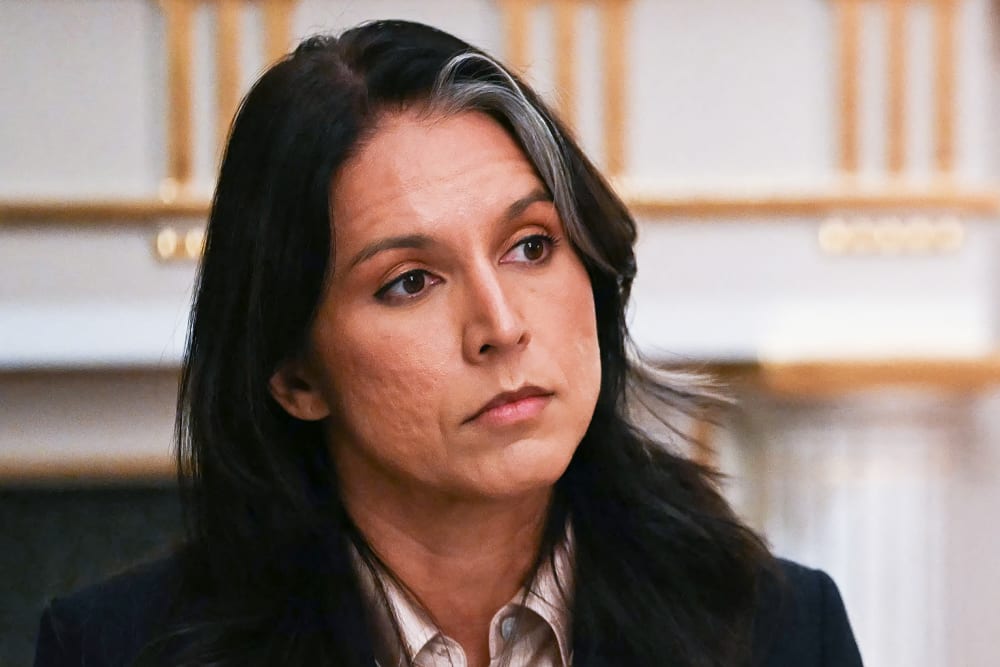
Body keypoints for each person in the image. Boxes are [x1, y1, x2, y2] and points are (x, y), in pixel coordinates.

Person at [34, 20, 863, 667]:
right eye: (409, 281)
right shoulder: (117, 648)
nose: (501, 324)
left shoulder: (778, 628)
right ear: (293, 374)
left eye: (531, 245)